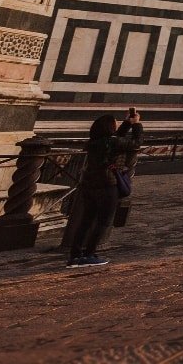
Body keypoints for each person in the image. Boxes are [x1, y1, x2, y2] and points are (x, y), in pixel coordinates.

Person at [64, 114, 128, 267]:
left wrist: (126, 124)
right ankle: (89, 254)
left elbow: (116, 139)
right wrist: (136, 125)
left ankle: (75, 256)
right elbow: (135, 142)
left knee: (86, 221)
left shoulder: (93, 143)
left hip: (89, 185)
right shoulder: (112, 143)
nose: (117, 125)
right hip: (107, 185)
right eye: (115, 123)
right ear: (110, 127)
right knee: (103, 221)